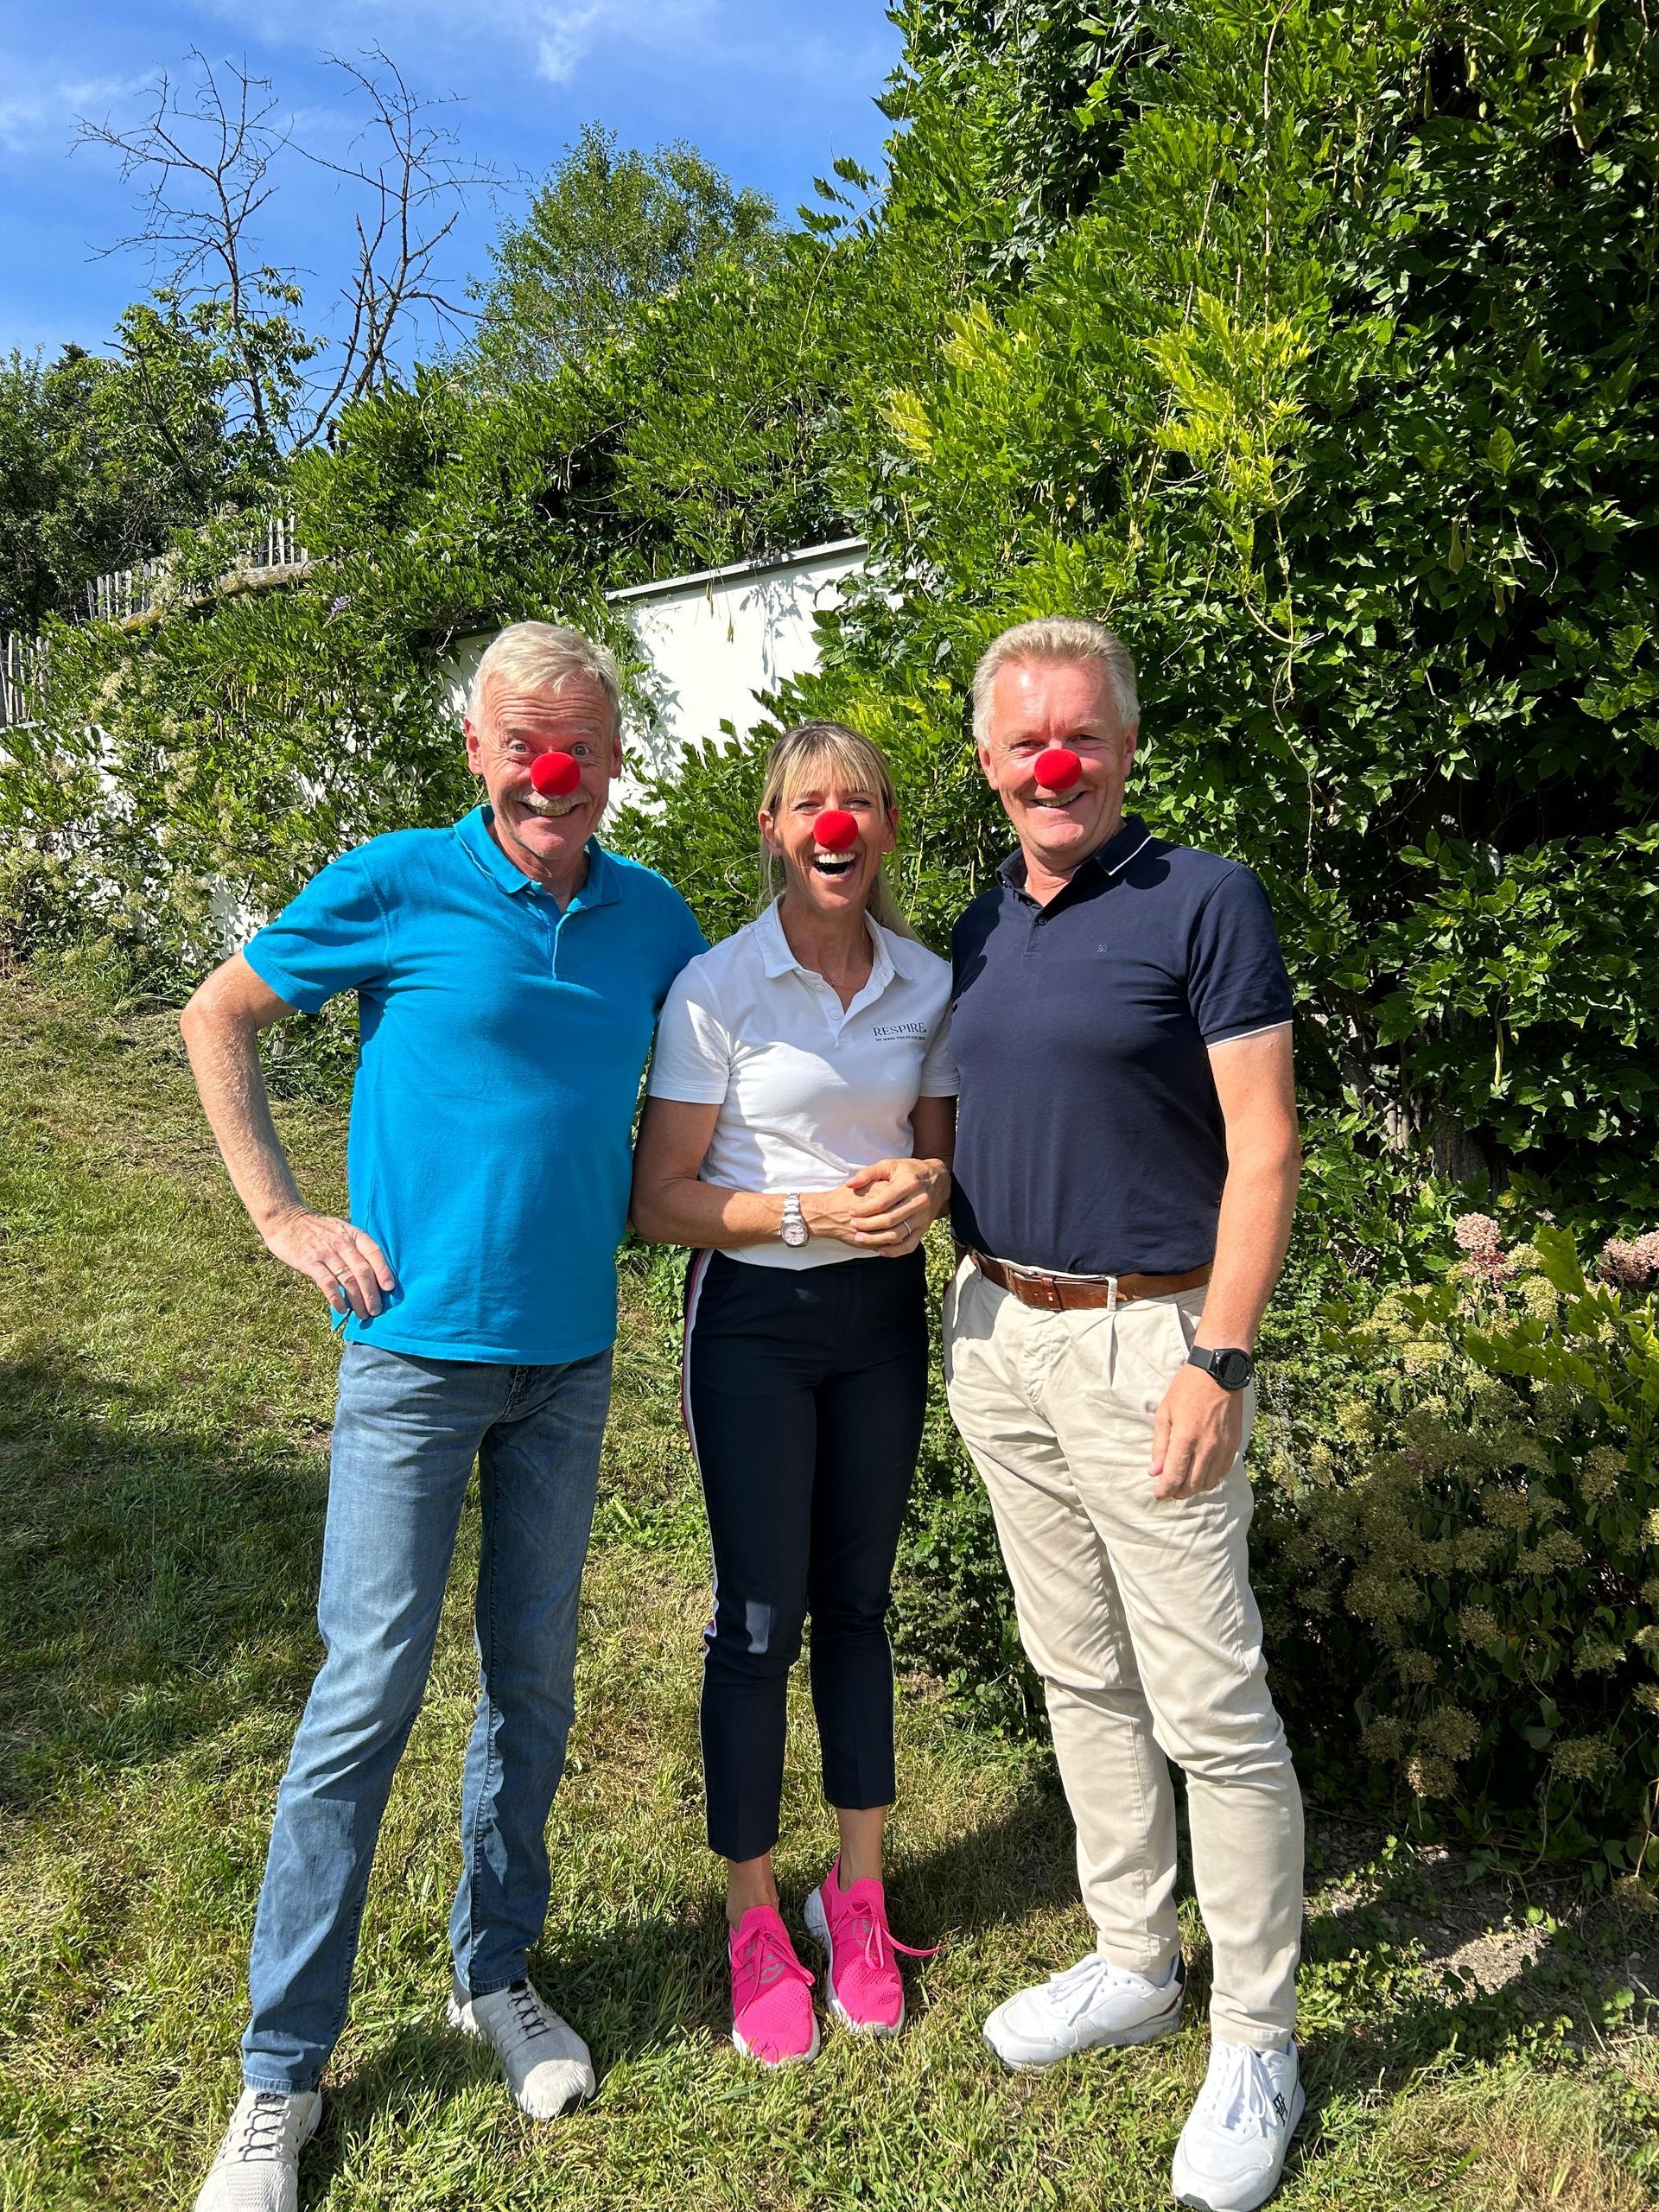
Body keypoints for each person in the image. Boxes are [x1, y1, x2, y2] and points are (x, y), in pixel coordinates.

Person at [179, 622, 706, 2212]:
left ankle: (495, 1970)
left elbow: (732, 1083)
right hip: (411, 1360)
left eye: (579, 750)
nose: (551, 777)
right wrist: (282, 1216)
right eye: (521, 747)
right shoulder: (398, 881)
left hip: (569, 1365)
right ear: (477, 752)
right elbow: (217, 1015)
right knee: (367, 1694)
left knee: (532, 1688)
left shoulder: (655, 919)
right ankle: (282, 2076)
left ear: (616, 760)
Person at [944, 619, 1305, 2212]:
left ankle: (1258, 2040)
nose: (1055, 765)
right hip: (998, 1331)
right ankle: (1134, 1960)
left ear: (1126, 745)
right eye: (1026, 742)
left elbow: (1265, 1145)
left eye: (1081, 735)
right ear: (987, 762)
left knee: (1210, 1702)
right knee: (1079, 1669)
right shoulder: (977, 921)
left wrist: (1219, 1359)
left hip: (1147, 1338)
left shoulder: (1205, 900)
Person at [630, 721, 955, 2066]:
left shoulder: (929, 984)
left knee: (859, 1606)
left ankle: (856, 1896)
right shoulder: (717, 987)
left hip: (879, 1324)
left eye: (859, 801)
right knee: (759, 1619)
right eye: (810, 803)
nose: (836, 825)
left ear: (885, 827)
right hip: (753, 1321)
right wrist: (807, 1212)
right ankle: (755, 1914)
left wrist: (928, 1183)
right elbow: (661, 1200)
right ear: (772, 827)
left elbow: (938, 1160)